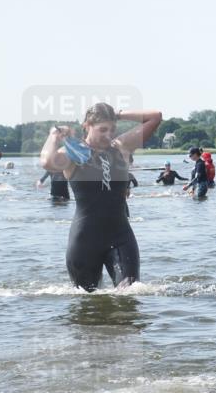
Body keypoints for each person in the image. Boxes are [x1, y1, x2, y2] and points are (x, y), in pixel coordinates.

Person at [39, 103, 162, 291]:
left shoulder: (121, 146)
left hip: (121, 236)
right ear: (87, 125)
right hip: (85, 240)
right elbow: (47, 162)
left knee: (130, 294)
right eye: (103, 129)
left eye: (112, 129)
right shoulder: (73, 154)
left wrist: (117, 114)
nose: (109, 134)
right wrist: (54, 136)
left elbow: (155, 116)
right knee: (86, 304)